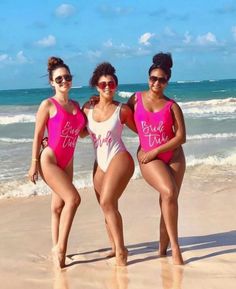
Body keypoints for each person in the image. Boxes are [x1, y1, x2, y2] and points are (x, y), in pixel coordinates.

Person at [127, 52, 186, 265]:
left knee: (168, 200)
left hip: (174, 156)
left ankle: (162, 250)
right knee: (169, 192)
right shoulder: (135, 98)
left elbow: (181, 137)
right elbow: (121, 114)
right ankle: (176, 248)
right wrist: (96, 102)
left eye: (162, 79)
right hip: (150, 158)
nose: (157, 82)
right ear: (148, 78)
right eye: (153, 78)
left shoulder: (172, 106)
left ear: (167, 81)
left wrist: (156, 149)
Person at [28, 56, 86, 269]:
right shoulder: (48, 105)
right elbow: (37, 136)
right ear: (52, 82)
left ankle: (55, 247)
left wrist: (92, 108)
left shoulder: (76, 105)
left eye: (67, 77)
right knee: (74, 199)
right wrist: (34, 163)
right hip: (50, 159)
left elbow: (82, 134)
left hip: (68, 160)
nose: (64, 81)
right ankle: (61, 249)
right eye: (59, 78)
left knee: (58, 205)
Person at [82, 62, 136, 266]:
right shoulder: (87, 108)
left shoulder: (122, 110)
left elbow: (142, 131)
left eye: (111, 83)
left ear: (116, 85)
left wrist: (158, 149)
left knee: (106, 202)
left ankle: (122, 251)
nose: (107, 87)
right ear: (96, 86)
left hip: (119, 158)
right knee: (107, 206)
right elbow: (79, 133)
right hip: (99, 163)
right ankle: (114, 247)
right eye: (103, 84)